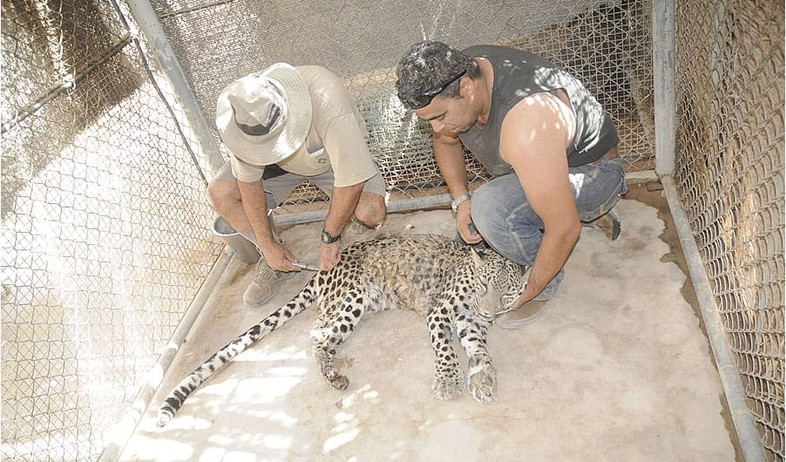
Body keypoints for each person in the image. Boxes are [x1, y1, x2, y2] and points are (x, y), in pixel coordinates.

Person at [395, 41, 626, 329]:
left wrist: (529, 289)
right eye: (429, 120)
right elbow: (444, 139)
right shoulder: (458, 74)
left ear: (466, 87)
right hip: (545, 163)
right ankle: (562, 206)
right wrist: (461, 201)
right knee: (474, 230)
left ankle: (553, 273)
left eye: (440, 117)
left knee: (492, 212)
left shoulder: (526, 124)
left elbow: (565, 228)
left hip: (594, 171)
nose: (437, 128)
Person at [208, 63, 387, 307]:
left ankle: (352, 246)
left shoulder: (326, 97)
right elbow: (249, 186)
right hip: (280, 167)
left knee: (371, 211)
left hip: (329, 160)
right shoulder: (244, 118)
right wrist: (267, 245)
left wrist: (330, 237)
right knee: (220, 193)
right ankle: (273, 260)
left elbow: (351, 183)